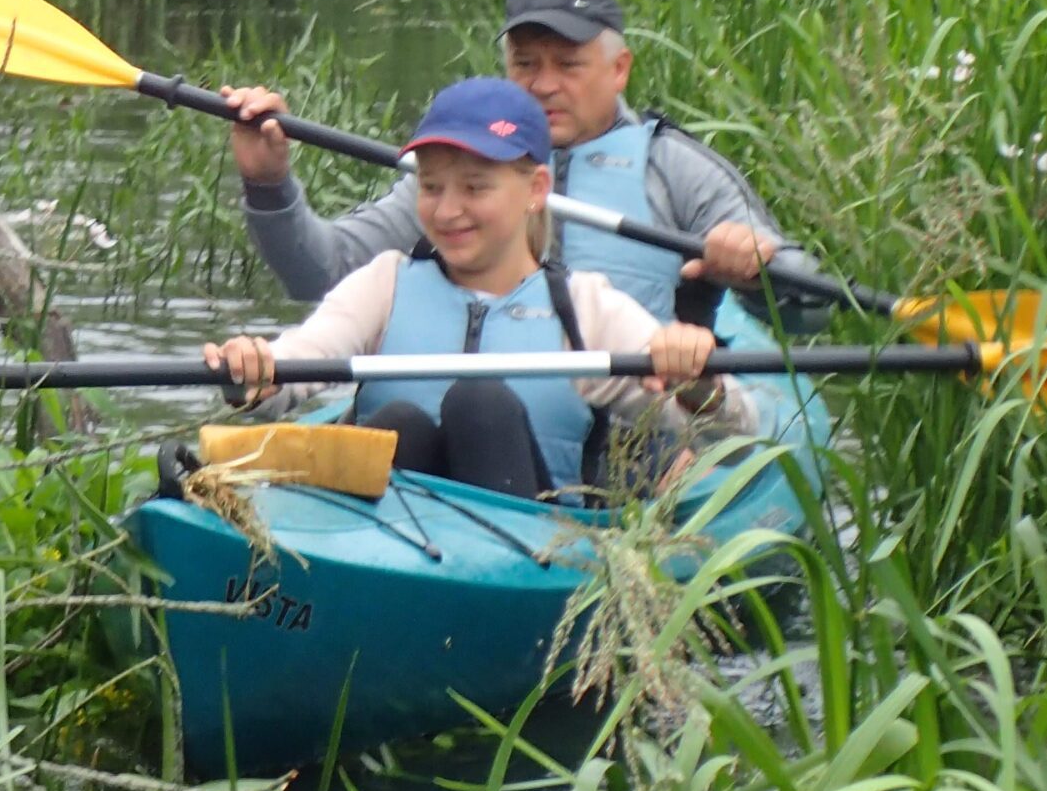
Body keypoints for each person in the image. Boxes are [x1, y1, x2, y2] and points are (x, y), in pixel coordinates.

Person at [203, 77, 761, 503]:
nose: (448, 211)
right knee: (399, 423)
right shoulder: (384, 284)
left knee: (479, 404)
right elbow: (292, 368)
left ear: (535, 189)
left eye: (474, 188)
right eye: (431, 186)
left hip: (530, 554)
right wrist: (253, 368)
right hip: (391, 544)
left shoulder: (586, 308)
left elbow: (733, 432)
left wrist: (699, 382)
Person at [226, 0, 806, 329]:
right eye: (526, 64)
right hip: (481, 420)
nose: (544, 85)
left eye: (568, 65)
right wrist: (268, 184)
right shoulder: (457, 173)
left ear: (619, 69)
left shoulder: (676, 169)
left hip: (633, 428)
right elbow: (320, 273)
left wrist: (757, 273)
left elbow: (811, 307)